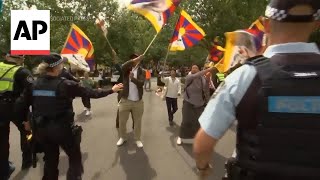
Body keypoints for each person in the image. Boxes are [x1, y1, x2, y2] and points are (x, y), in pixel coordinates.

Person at [193, 1, 320, 179]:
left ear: (267, 25)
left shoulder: (244, 76)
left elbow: (202, 144)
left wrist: (203, 168)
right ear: (316, 25)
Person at [15, 53, 123, 180]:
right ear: (57, 67)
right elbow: (91, 93)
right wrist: (112, 90)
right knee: (74, 158)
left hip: (41, 129)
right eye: (61, 64)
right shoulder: (65, 84)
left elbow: (19, 105)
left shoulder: (33, 84)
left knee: (50, 161)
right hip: (62, 129)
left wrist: (25, 122)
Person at [0, 53, 32, 179]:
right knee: (27, 132)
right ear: (21, 58)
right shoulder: (22, 71)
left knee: (2, 140)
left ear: (7, 56)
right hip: (16, 108)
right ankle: (27, 161)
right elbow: (31, 90)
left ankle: (4, 171)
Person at [176, 65, 214, 145]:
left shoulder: (202, 78)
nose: (194, 69)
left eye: (196, 68)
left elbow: (206, 90)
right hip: (188, 102)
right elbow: (197, 75)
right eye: (193, 68)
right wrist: (208, 70)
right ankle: (180, 137)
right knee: (185, 121)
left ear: (198, 69)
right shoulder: (189, 77)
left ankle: (198, 138)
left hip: (199, 104)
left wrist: (207, 80)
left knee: (198, 122)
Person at [117, 54, 145, 148]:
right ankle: (123, 137)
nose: (136, 61)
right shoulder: (126, 70)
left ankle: (137, 139)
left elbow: (141, 83)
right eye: (134, 59)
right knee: (122, 121)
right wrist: (135, 59)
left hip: (138, 101)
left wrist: (132, 79)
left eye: (138, 60)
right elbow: (122, 66)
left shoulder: (142, 71)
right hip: (125, 100)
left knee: (138, 122)